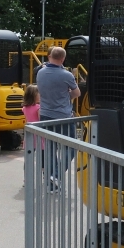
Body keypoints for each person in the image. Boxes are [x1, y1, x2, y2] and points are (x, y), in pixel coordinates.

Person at [37, 47, 81, 188]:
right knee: (71, 146)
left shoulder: (40, 73)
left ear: (49, 56)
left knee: (50, 148)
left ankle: (52, 185)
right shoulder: (66, 75)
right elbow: (77, 93)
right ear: (63, 59)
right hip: (63, 116)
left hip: (45, 115)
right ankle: (56, 175)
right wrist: (66, 95)